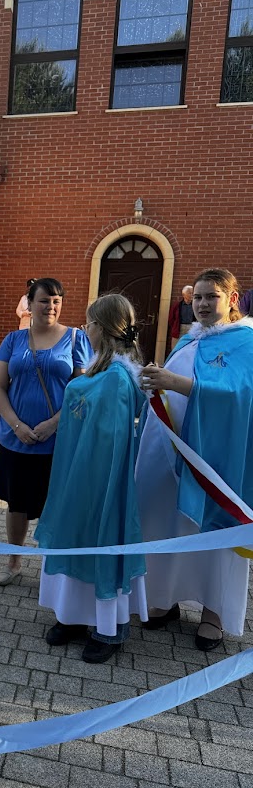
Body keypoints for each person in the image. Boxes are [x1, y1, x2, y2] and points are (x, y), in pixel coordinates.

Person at [137, 268, 253, 651]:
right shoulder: (190, 338)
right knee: (166, 524)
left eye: (211, 297)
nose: (202, 304)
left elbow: (240, 396)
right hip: (168, 455)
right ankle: (164, 597)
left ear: (232, 299)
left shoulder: (246, 342)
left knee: (212, 532)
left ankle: (214, 613)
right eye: (198, 297)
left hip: (215, 460)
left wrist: (177, 383)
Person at [36, 294, 148, 663]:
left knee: (98, 542)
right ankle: (71, 615)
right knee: (74, 538)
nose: (85, 329)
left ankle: (107, 627)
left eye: (89, 323)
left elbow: (110, 440)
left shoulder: (116, 378)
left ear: (101, 327)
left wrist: (98, 486)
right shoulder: (102, 371)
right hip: (76, 473)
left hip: (100, 481)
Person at [0, 277, 93, 586]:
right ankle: (14, 561)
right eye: (44, 300)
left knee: (57, 504)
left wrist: (54, 424)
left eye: (56, 301)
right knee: (17, 504)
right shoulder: (13, 340)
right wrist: (17, 425)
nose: (50, 306)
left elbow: (82, 390)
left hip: (58, 440)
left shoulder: (76, 339)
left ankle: (54, 569)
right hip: (16, 439)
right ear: (30, 304)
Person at [167, 284, 194, 351]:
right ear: (183, 294)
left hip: (192, 328)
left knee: (189, 349)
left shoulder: (195, 305)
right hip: (179, 329)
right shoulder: (177, 305)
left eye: (193, 293)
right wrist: (175, 327)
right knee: (176, 349)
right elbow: (171, 319)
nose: (192, 295)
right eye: (190, 293)